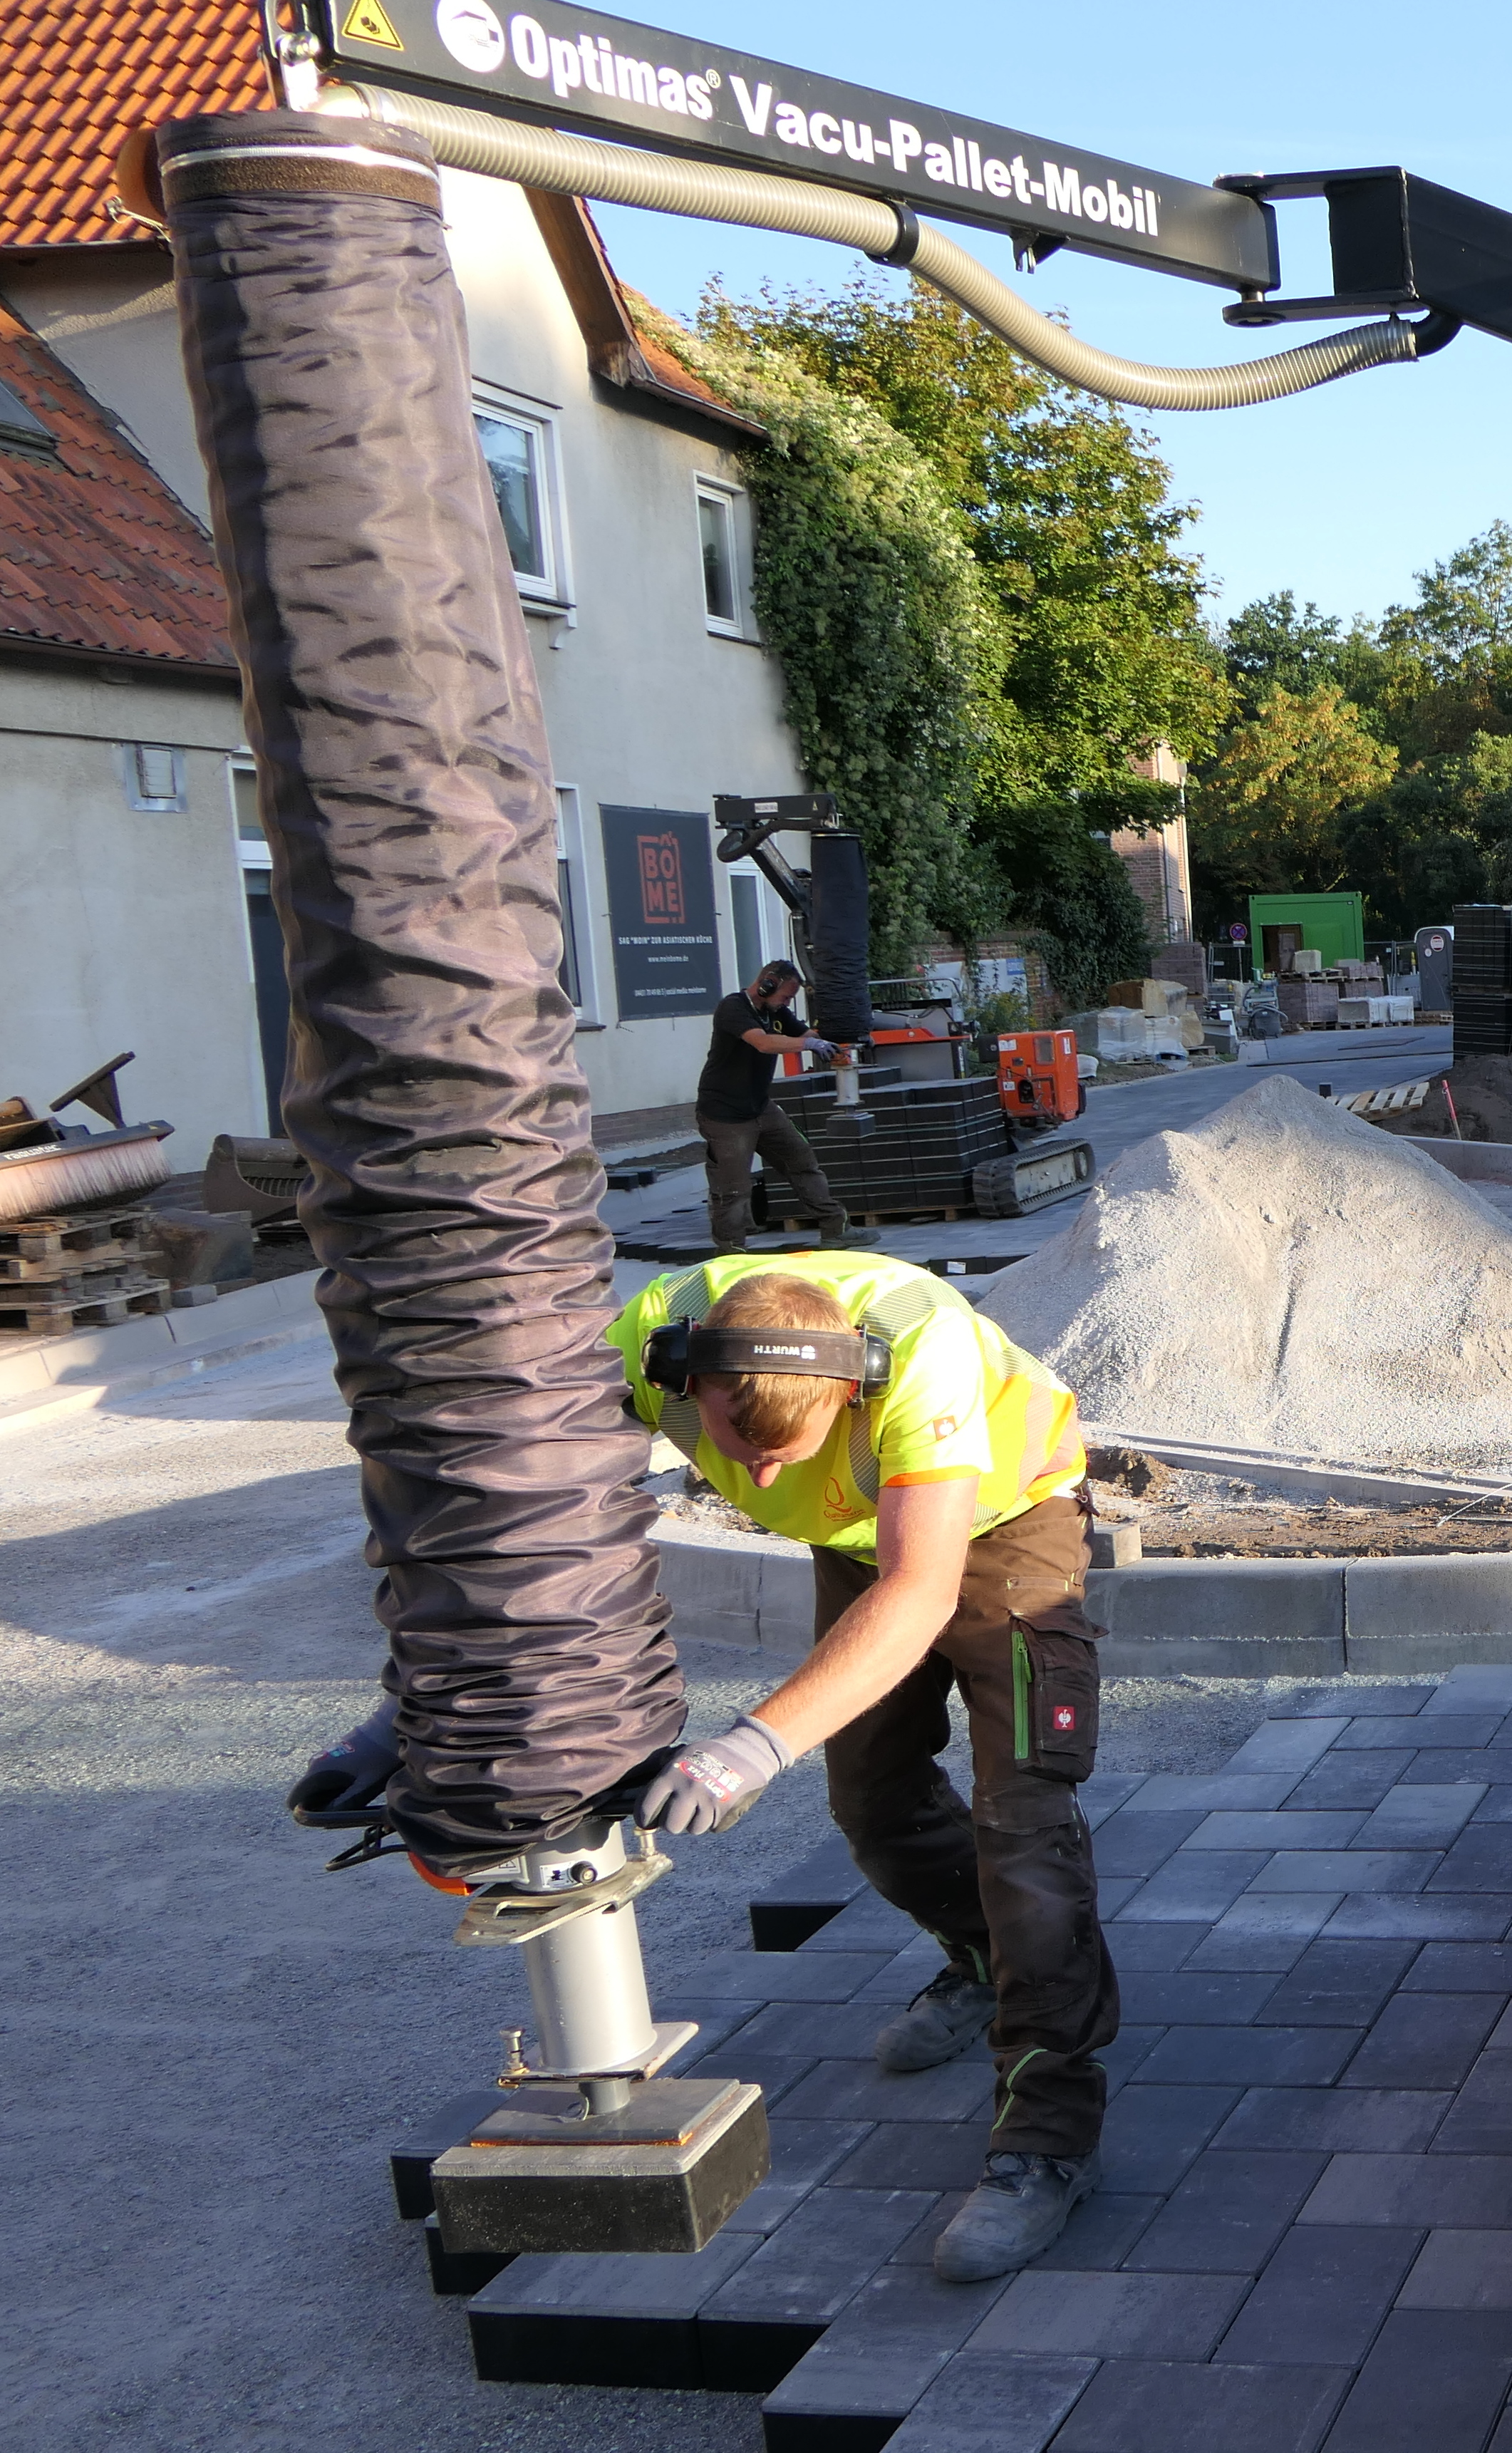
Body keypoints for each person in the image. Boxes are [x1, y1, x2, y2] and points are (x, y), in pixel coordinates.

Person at [610, 1253, 1118, 2283]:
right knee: (871, 1801)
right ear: (687, 1376)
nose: (759, 1481)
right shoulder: (650, 1334)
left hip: (1007, 1524)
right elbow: (536, 1516)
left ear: (850, 1392)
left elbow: (919, 1588)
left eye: (782, 1452)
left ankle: (1045, 2138)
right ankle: (984, 1962)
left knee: (1024, 1828)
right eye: (737, 1446)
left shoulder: (922, 1350)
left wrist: (751, 1745)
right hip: (860, 1538)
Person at [695, 959, 876, 1253]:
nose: (787, 1002)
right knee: (734, 1188)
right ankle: (730, 1251)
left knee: (802, 1162)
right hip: (724, 1114)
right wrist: (809, 1046)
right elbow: (763, 1043)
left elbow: (807, 1036)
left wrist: (846, 1040)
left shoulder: (776, 1011)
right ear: (768, 983)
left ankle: (836, 1229)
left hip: (760, 1106)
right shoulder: (734, 1008)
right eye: (787, 996)